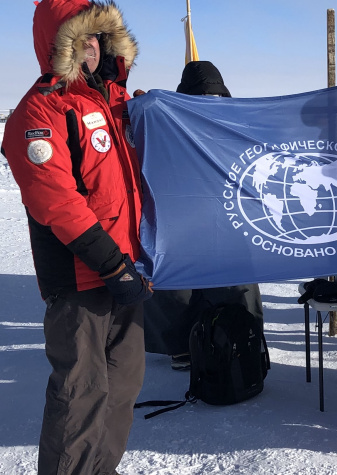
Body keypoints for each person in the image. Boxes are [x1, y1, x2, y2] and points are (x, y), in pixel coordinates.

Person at [0, 1, 152, 474]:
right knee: (80, 399)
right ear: (57, 43)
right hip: (82, 281)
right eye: (83, 36)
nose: (92, 46)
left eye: (99, 37)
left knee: (122, 389)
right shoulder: (39, 109)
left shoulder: (115, 104)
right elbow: (56, 202)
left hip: (128, 271)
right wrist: (111, 266)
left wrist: (158, 114)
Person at [142, 60, 265, 370]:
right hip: (210, 214)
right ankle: (237, 335)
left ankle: (189, 344)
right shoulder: (234, 120)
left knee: (186, 280)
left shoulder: (172, 119)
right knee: (222, 281)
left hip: (188, 215)